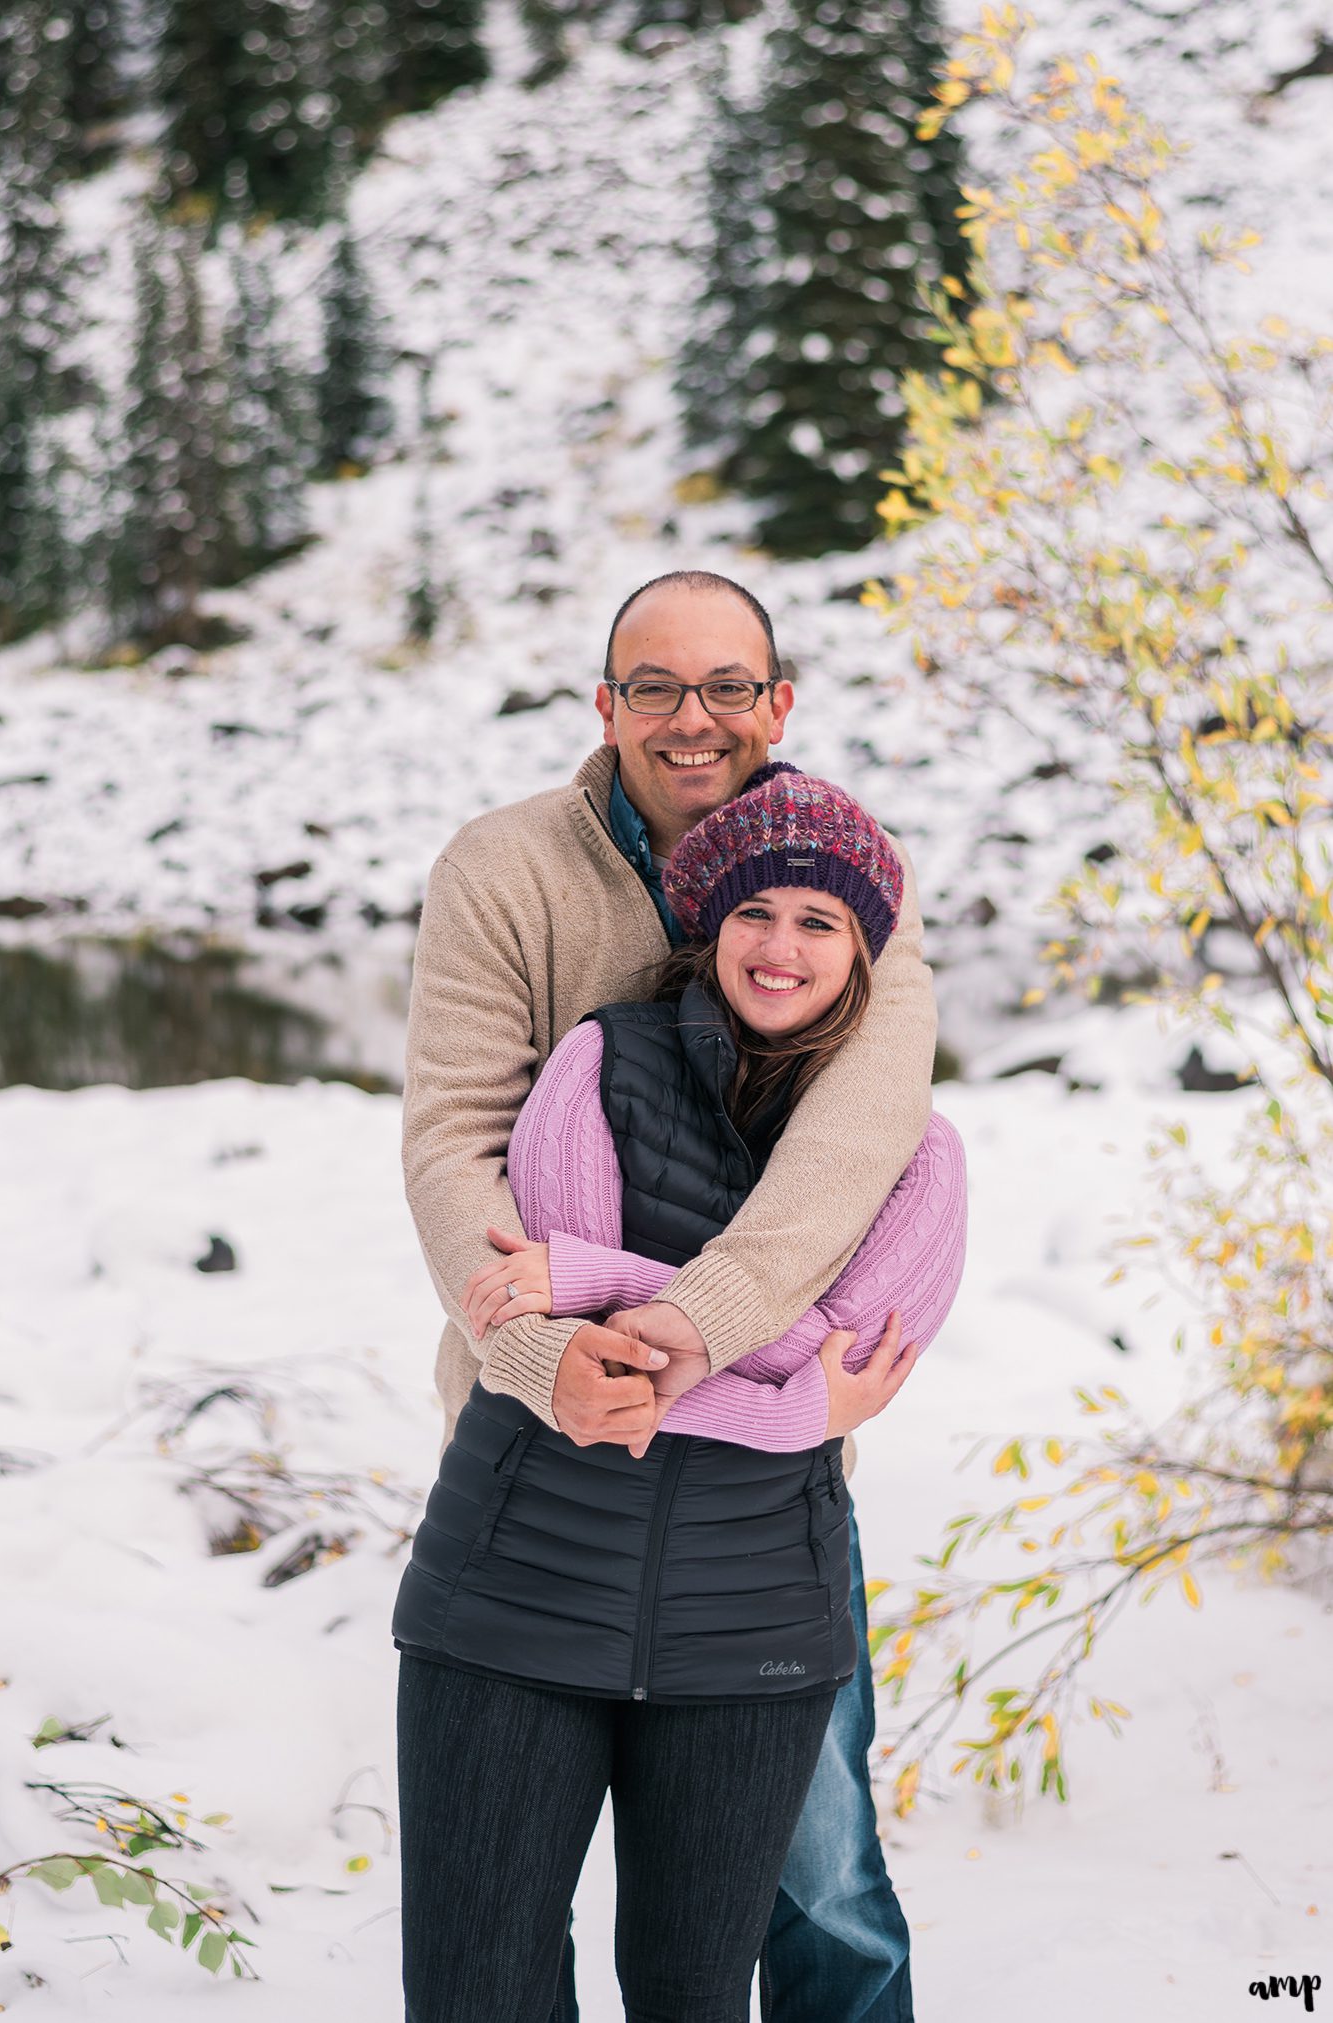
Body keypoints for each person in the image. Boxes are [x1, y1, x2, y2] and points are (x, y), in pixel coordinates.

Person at [399, 569, 940, 2021]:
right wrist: (530, 1353)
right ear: (606, 702)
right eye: (654, 687)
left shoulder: (850, 883)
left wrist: (695, 1343)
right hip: (547, 1457)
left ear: (776, 704)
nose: (691, 720)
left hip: (762, 1487)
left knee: (817, 1874)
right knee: (493, 1920)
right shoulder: (503, 869)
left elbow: (848, 1165)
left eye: (726, 689)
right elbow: (455, 1138)